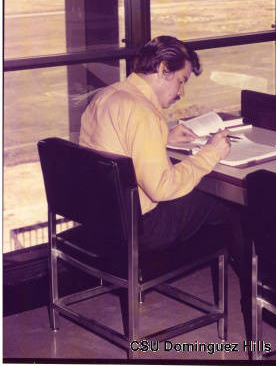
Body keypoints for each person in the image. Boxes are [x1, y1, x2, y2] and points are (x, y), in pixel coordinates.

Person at [79, 35, 250, 324]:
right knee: (230, 203)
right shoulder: (145, 113)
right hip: (142, 230)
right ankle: (255, 295)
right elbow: (162, 188)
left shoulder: (108, 96)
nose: (182, 92)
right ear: (162, 70)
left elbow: (117, 147)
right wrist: (210, 154)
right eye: (181, 81)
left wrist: (163, 138)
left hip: (103, 222)